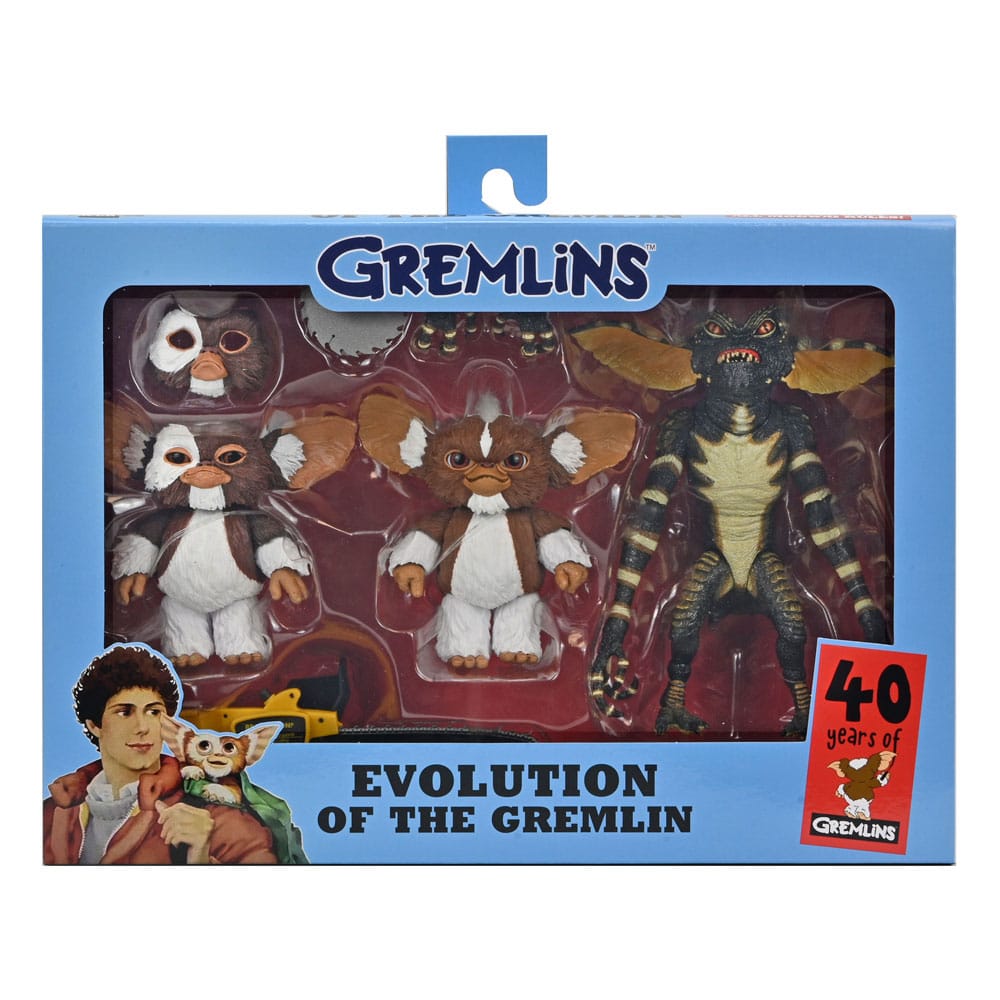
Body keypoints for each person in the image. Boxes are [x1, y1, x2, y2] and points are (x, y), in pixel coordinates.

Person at [43, 644, 278, 864]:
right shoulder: (54, 809)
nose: (143, 727)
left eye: (154, 712)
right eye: (125, 712)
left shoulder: (210, 808)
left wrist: (201, 860)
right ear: (95, 725)